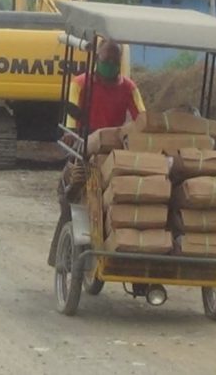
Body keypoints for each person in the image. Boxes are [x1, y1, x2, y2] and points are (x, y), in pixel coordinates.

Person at [47, 39, 146, 267]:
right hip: (84, 145)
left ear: (119, 62)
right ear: (97, 59)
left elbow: (142, 118)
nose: (109, 65)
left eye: (114, 61)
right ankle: (62, 256)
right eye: (105, 60)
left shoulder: (128, 88)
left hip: (114, 149)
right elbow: (71, 119)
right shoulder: (80, 83)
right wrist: (72, 133)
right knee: (71, 195)